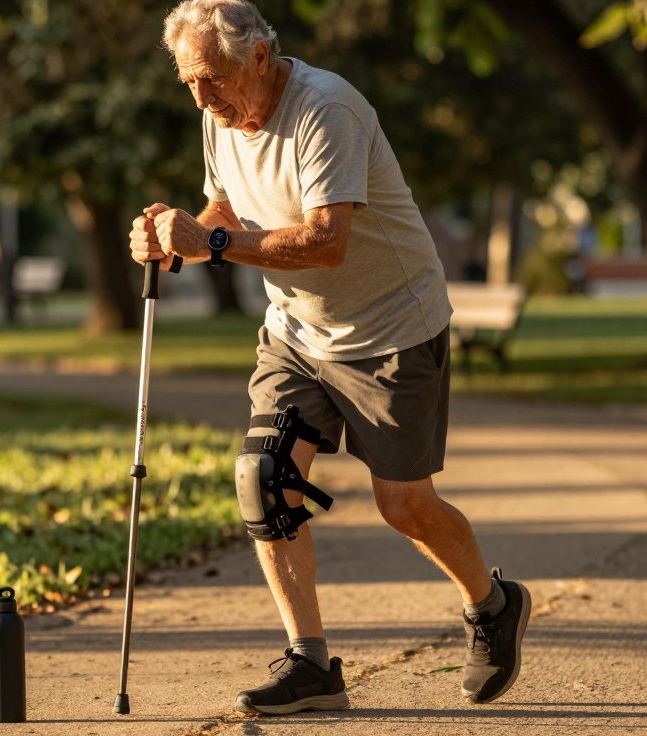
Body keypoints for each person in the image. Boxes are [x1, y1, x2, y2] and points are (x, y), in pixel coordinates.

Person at [128, 0, 530, 716]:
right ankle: (311, 663)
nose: (202, 96)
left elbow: (325, 242)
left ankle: (493, 605)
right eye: (189, 81)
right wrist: (177, 232)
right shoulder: (217, 117)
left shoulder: (326, 109)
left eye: (213, 78)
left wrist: (212, 245)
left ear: (259, 56)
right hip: (298, 333)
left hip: (393, 328)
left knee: (405, 505)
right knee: (263, 478)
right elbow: (224, 208)